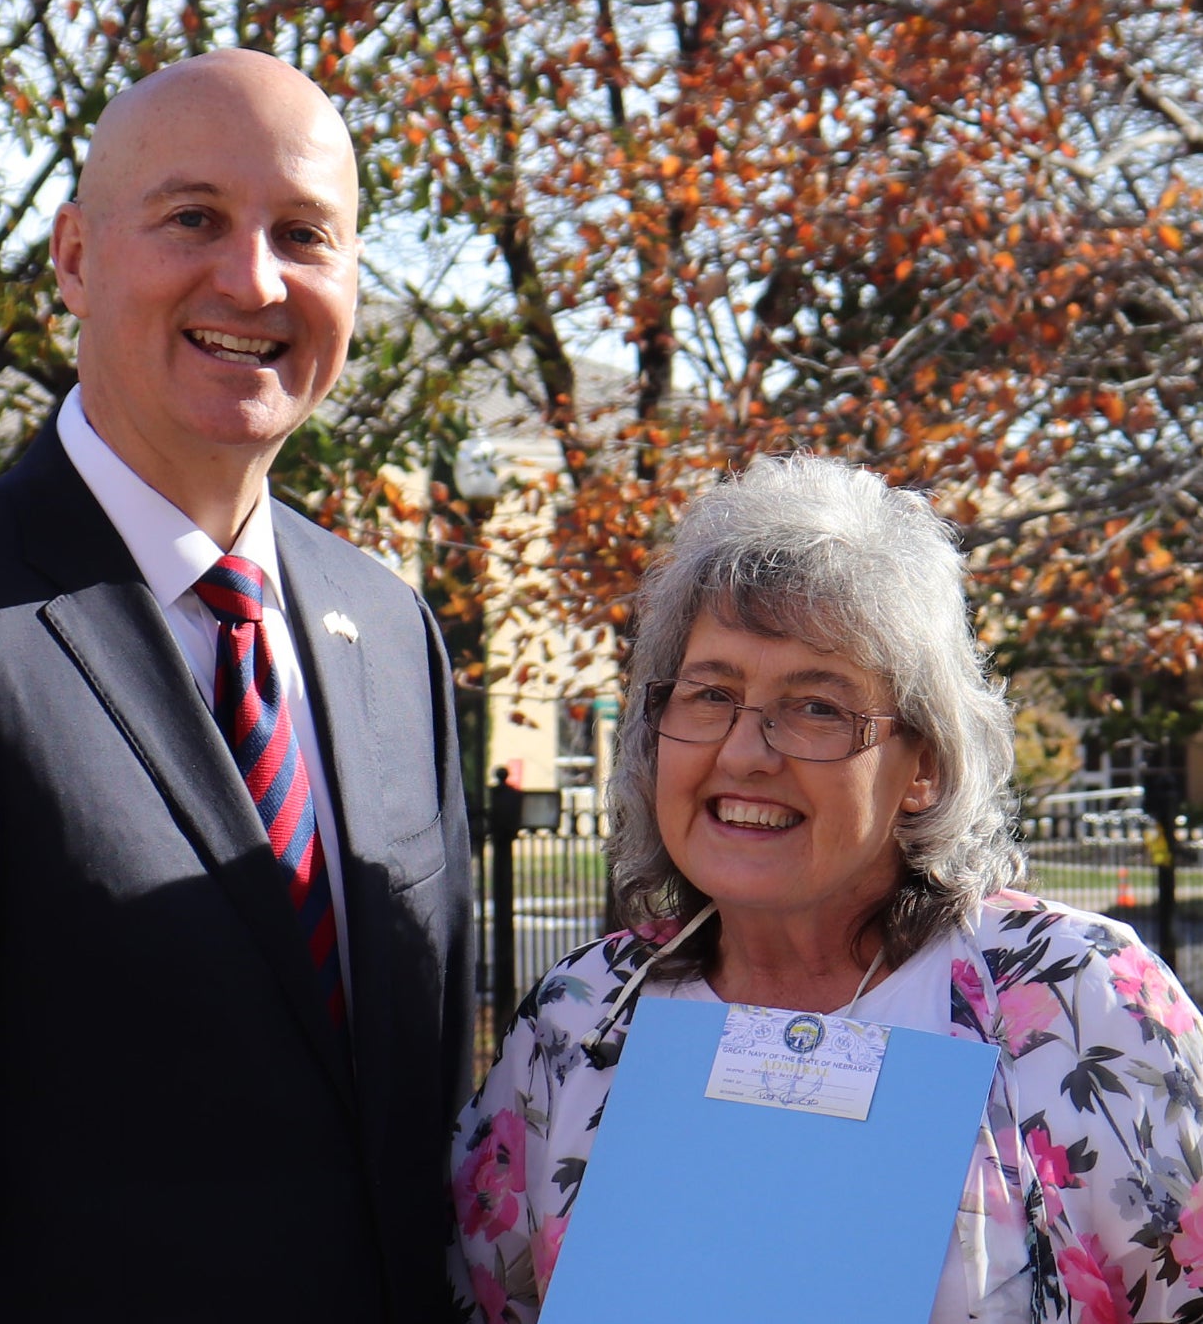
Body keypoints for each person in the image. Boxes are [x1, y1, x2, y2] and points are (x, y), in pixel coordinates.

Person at [0, 49, 474, 1322]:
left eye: (305, 233)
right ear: (72, 256)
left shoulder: (392, 631)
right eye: (193, 218)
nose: (252, 279)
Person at [448, 454, 1203, 1322]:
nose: (743, 751)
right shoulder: (578, 1019)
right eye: (709, 693)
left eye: (816, 707)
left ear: (922, 764)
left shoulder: (1074, 1000)